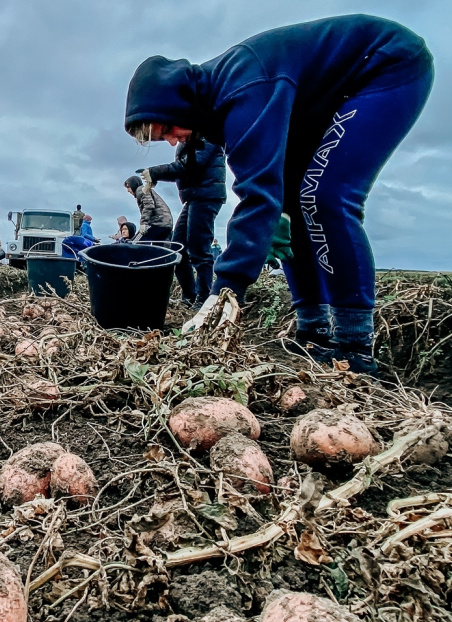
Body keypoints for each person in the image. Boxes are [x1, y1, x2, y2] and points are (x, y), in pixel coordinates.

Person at [124, 14, 434, 373]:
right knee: (288, 208)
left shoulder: (243, 87)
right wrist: (277, 210)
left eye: (167, 128)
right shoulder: (215, 112)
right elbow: (269, 192)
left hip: (384, 65)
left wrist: (224, 291)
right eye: (161, 139)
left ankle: (354, 345)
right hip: (314, 102)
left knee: (324, 196)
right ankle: (313, 329)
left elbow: (257, 193)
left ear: (176, 101)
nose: (172, 140)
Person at [138, 137, 226, 307]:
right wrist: (157, 175)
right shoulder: (190, 138)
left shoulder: (205, 136)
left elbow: (191, 166)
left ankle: (204, 297)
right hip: (194, 196)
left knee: (199, 248)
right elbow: (185, 168)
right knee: (178, 247)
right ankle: (190, 295)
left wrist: (156, 172)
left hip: (206, 195)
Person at [123, 175, 173, 242]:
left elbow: (149, 206)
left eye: (128, 187)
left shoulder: (141, 190)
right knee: (157, 246)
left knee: (137, 243)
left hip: (157, 223)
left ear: (133, 185)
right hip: (166, 224)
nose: (128, 190)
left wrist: (143, 223)